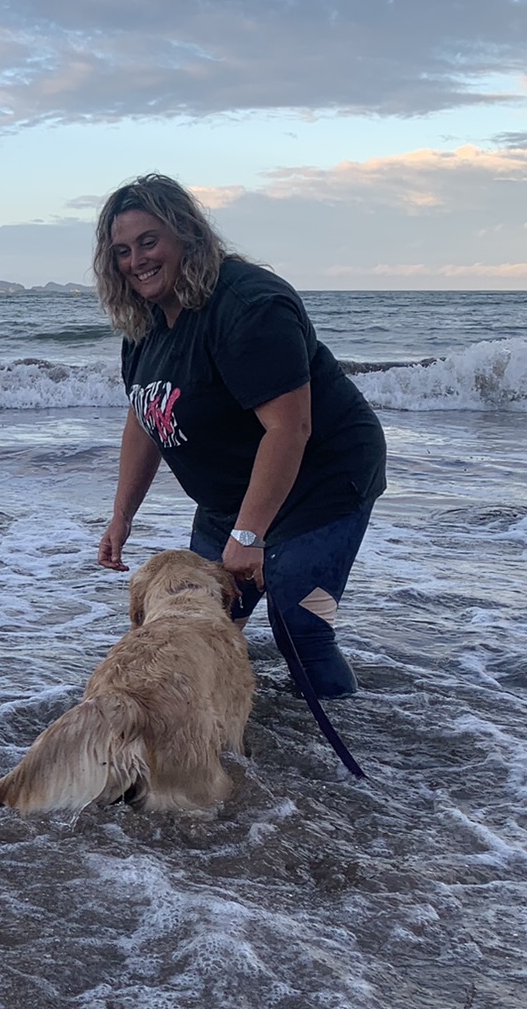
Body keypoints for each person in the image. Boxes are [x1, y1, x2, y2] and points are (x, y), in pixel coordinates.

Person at [93, 175, 386, 699]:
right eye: (121, 251)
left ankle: (340, 742)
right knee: (203, 627)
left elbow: (289, 426)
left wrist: (250, 536)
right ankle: (222, 737)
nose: (136, 260)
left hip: (326, 486)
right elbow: (145, 418)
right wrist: (122, 515)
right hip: (229, 499)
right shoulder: (147, 325)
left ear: (187, 233)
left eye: (148, 241)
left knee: (304, 627)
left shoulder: (250, 304)